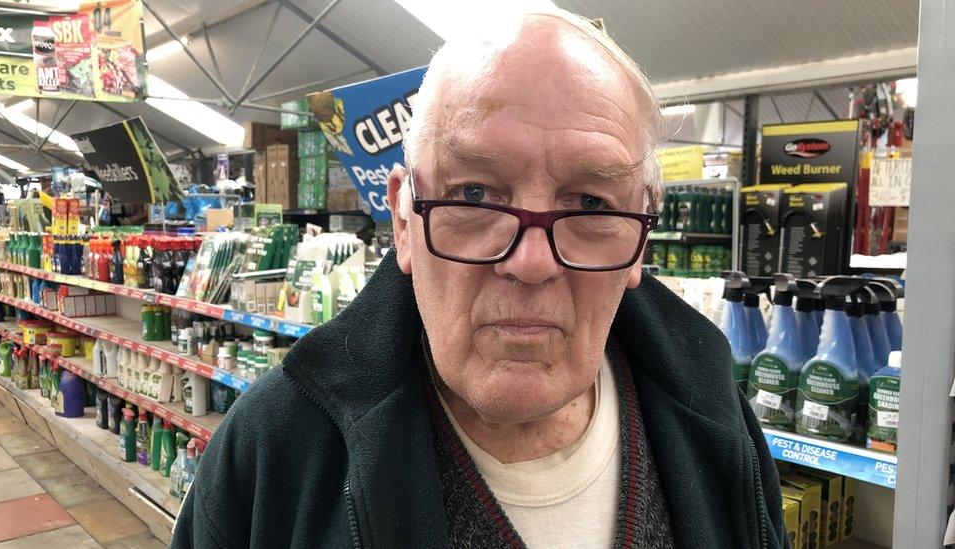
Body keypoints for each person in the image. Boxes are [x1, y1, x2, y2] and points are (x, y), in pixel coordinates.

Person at [172, 8, 786, 549]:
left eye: (592, 205)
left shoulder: (716, 418)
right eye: (473, 193)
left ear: (640, 241)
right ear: (405, 220)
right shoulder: (274, 451)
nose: (531, 262)